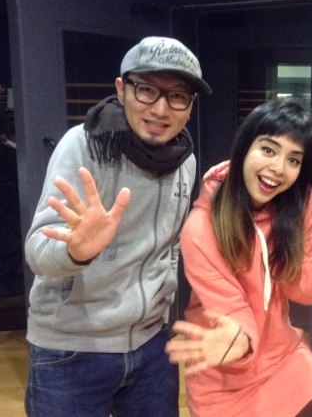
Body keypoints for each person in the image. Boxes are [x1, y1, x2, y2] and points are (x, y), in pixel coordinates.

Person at [165, 99, 312, 417]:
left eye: (293, 159)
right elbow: (232, 309)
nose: (278, 168)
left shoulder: (297, 202)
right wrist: (237, 340)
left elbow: (296, 281)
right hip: (225, 371)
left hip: (282, 359)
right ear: (244, 148)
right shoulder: (201, 228)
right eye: (268, 150)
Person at [24, 36, 212, 417]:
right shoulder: (85, 146)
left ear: (190, 105)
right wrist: (76, 251)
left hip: (152, 345)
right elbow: (37, 251)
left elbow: (170, 246)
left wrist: (163, 306)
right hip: (72, 349)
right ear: (122, 89)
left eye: (178, 96)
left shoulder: (185, 161)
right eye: (147, 90)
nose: (161, 108)